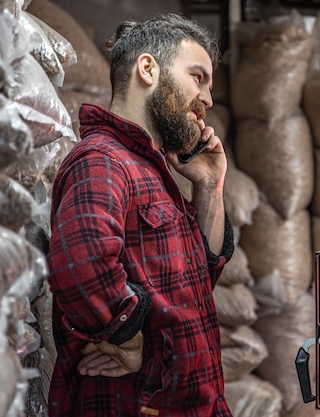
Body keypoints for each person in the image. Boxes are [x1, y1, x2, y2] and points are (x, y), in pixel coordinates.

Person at [46, 13, 234, 417]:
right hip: (136, 404)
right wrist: (130, 342)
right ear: (148, 69)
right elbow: (81, 266)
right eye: (197, 77)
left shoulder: (148, 168)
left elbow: (199, 278)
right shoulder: (102, 161)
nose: (208, 99)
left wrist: (210, 187)